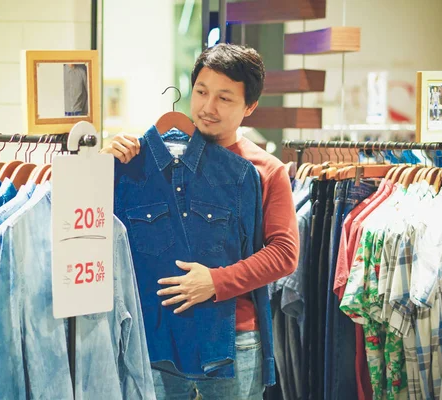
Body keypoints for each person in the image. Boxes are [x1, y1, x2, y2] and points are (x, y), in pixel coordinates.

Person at [102, 43, 299, 399]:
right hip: (157, 339)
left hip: (235, 341)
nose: (208, 108)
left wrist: (216, 281)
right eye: (201, 92)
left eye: (225, 98)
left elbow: (284, 254)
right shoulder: (141, 160)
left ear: (249, 106)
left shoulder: (264, 170)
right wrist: (99, 164)